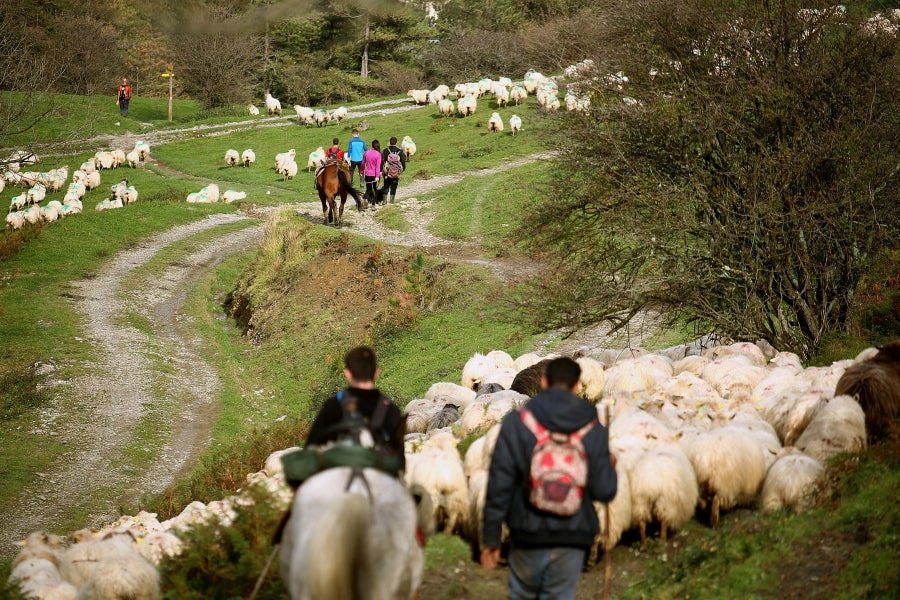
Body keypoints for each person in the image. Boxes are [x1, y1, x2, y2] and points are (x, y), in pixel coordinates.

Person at [481, 356, 617, 600]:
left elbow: (499, 483)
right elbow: (605, 490)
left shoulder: (518, 422)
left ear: (543, 382)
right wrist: (609, 466)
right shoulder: (593, 425)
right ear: (577, 386)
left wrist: (491, 538)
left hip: (526, 534)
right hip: (572, 538)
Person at [305, 345, 405, 471]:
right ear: (376, 373)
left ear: (347, 374)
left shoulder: (333, 405)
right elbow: (399, 460)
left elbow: (310, 450)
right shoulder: (390, 409)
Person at [381, 136, 407, 204]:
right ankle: (392, 201)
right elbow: (403, 162)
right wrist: (403, 170)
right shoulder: (400, 151)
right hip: (396, 172)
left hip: (387, 172)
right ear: (396, 142)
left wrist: (381, 170)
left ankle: (384, 201)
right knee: (394, 186)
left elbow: (382, 161)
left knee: (386, 185)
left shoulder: (385, 150)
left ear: (390, 142)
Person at [362, 139, 383, 205]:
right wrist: (377, 176)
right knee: (375, 189)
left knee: (368, 189)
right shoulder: (378, 154)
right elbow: (378, 166)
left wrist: (362, 171)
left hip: (368, 174)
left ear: (372, 145)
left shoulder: (366, 152)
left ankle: (365, 199)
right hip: (374, 174)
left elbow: (363, 163)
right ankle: (373, 204)